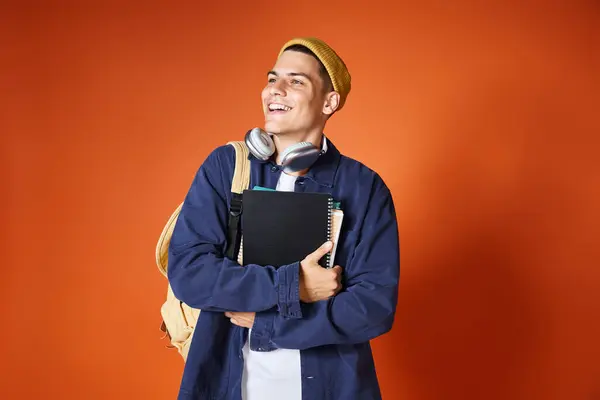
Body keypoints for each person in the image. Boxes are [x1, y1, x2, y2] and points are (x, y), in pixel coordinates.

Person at [168, 37, 400, 400]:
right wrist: (295, 286)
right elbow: (190, 274)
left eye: (295, 81)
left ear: (329, 101)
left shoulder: (364, 188)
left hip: (331, 388)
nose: (274, 90)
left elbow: (372, 309)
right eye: (272, 78)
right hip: (226, 384)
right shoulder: (226, 167)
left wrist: (269, 322)